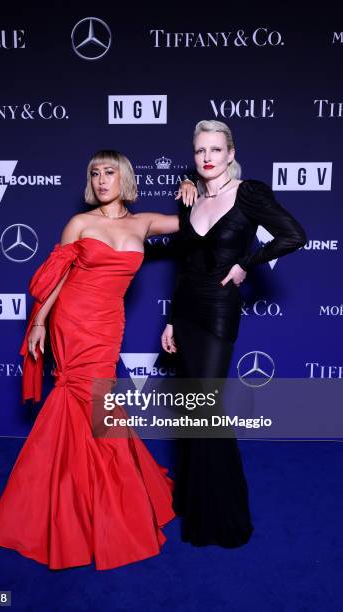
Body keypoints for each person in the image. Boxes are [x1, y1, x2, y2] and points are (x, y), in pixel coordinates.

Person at [0, 150, 179, 571]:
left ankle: (90, 493)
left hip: (109, 323)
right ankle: (69, 499)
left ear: (124, 177)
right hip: (72, 320)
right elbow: (57, 278)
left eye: (109, 172)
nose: (102, 179)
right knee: (83, 398)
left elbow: (197, 223)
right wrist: (37, 323)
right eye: (95, 173)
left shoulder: (142, 222)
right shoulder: (80, 224)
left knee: (99, 402)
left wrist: (195, 188)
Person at [161, 119, 307, 548]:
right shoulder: (188, 198)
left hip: (220, 309)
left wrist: (247, 263)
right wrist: (170, 319)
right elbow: (184, 266)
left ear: (230, 153)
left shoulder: (249, 193)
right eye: (199, 151)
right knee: (191, 411)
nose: (207, 157)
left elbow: (294, 235)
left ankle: (224, 516)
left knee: (206, 406)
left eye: (215, 150)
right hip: (186, 309)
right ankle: (192, 500)